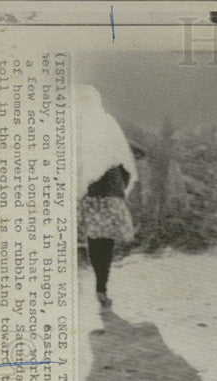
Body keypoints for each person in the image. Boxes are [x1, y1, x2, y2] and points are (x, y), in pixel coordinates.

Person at [76, 85, 139, 309]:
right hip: (106, 188)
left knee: (97, 239)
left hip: (96, 189)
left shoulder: (87, 123)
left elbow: (120, 153)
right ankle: (102, 287)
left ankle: (101, 287)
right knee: (104, 240)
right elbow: (123, 158)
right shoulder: (104, 122)